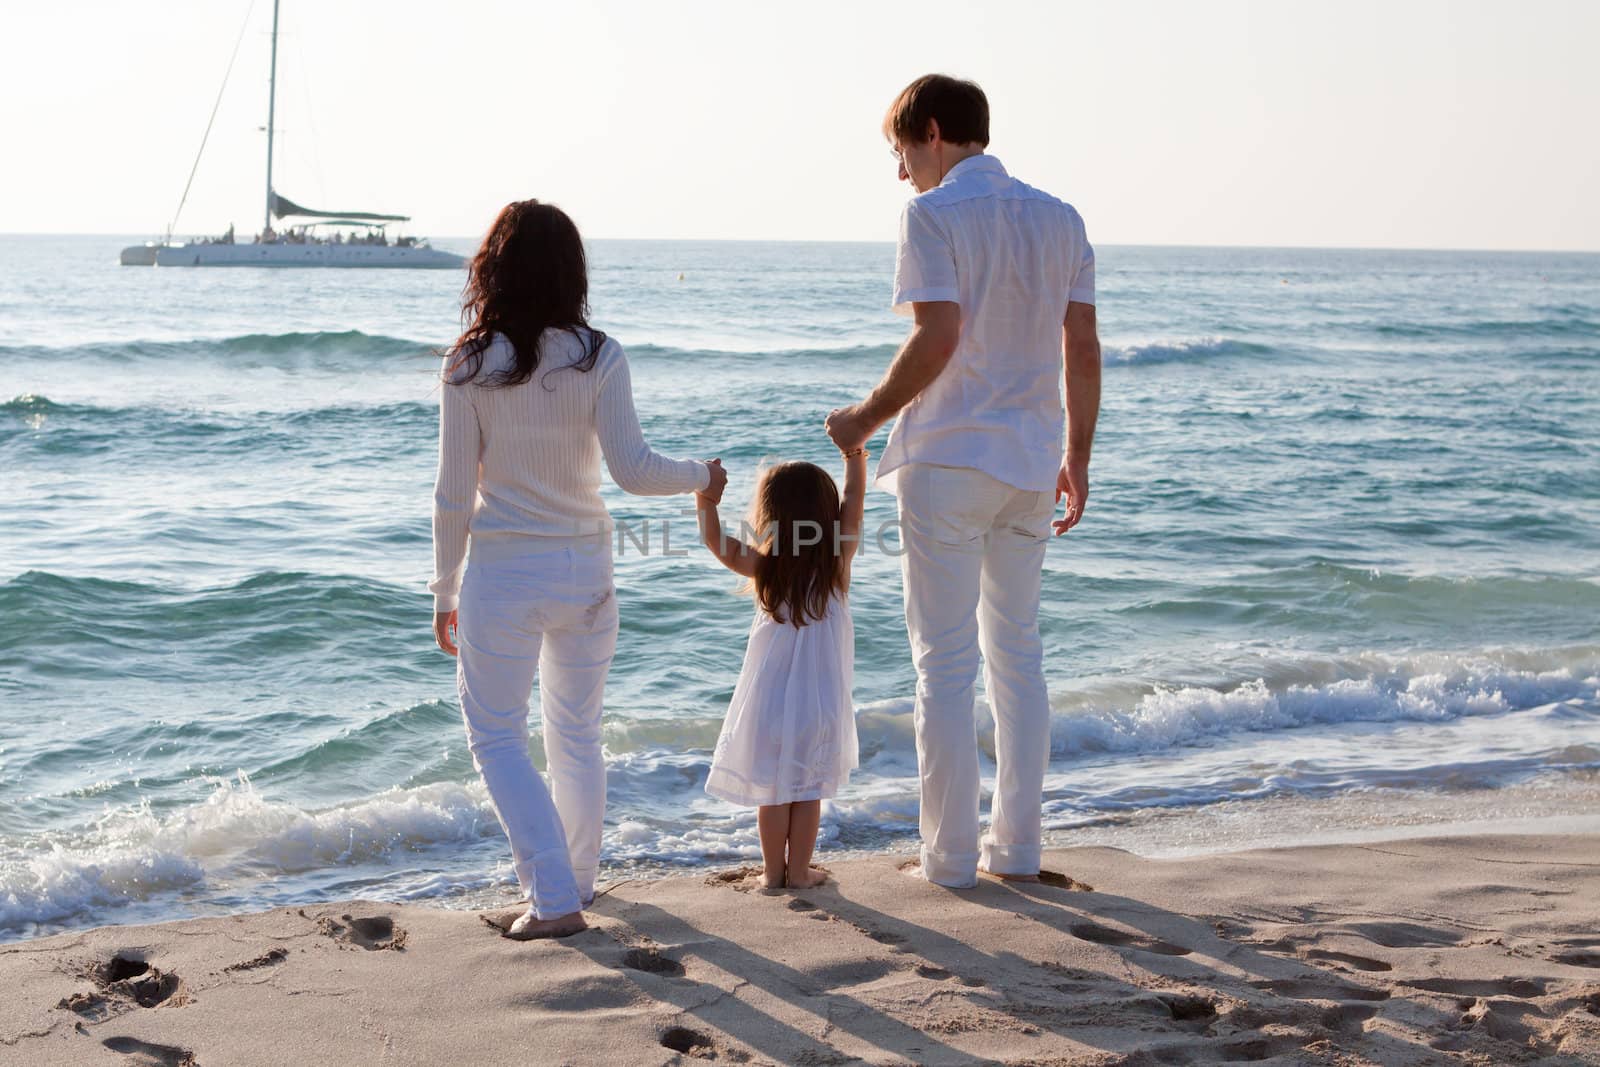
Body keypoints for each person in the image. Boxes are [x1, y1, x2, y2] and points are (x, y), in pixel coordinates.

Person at [825, 74, 1101, 888]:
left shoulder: (931, 214)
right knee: (1017, 657)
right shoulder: (1061, 218)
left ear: (934, 133)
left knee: (943, 665)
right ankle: (1017, 849)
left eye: (900, 151)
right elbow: (1080, 348)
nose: (900, 172)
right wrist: (1077, 457)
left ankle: (947, 860)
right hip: (1028, 464)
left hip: (947, 463)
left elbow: (938, 336)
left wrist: (864, 419)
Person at [431, 199, 727, 938]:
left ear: (492, 268)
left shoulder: (468, 362)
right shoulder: (600, 354)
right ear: (572, 271)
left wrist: (442, 588)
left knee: (497, 737)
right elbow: (632, 469)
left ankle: (554, 895)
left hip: (504, 573)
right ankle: (578, 881)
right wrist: (702, 476)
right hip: (586, 569)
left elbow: (452, 492)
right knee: (577, 732)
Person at [696, 448, 866, 889]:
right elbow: (854, 496)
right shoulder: (835, 565)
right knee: (807, 790)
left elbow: (715, 542)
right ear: (827, 514)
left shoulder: (765, 567)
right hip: (820, 701)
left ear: (769, 514)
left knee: (772, 789)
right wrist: (854, 453)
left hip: (768, 699)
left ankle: (772, 875)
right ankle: (799, 873)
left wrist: (706, 497)